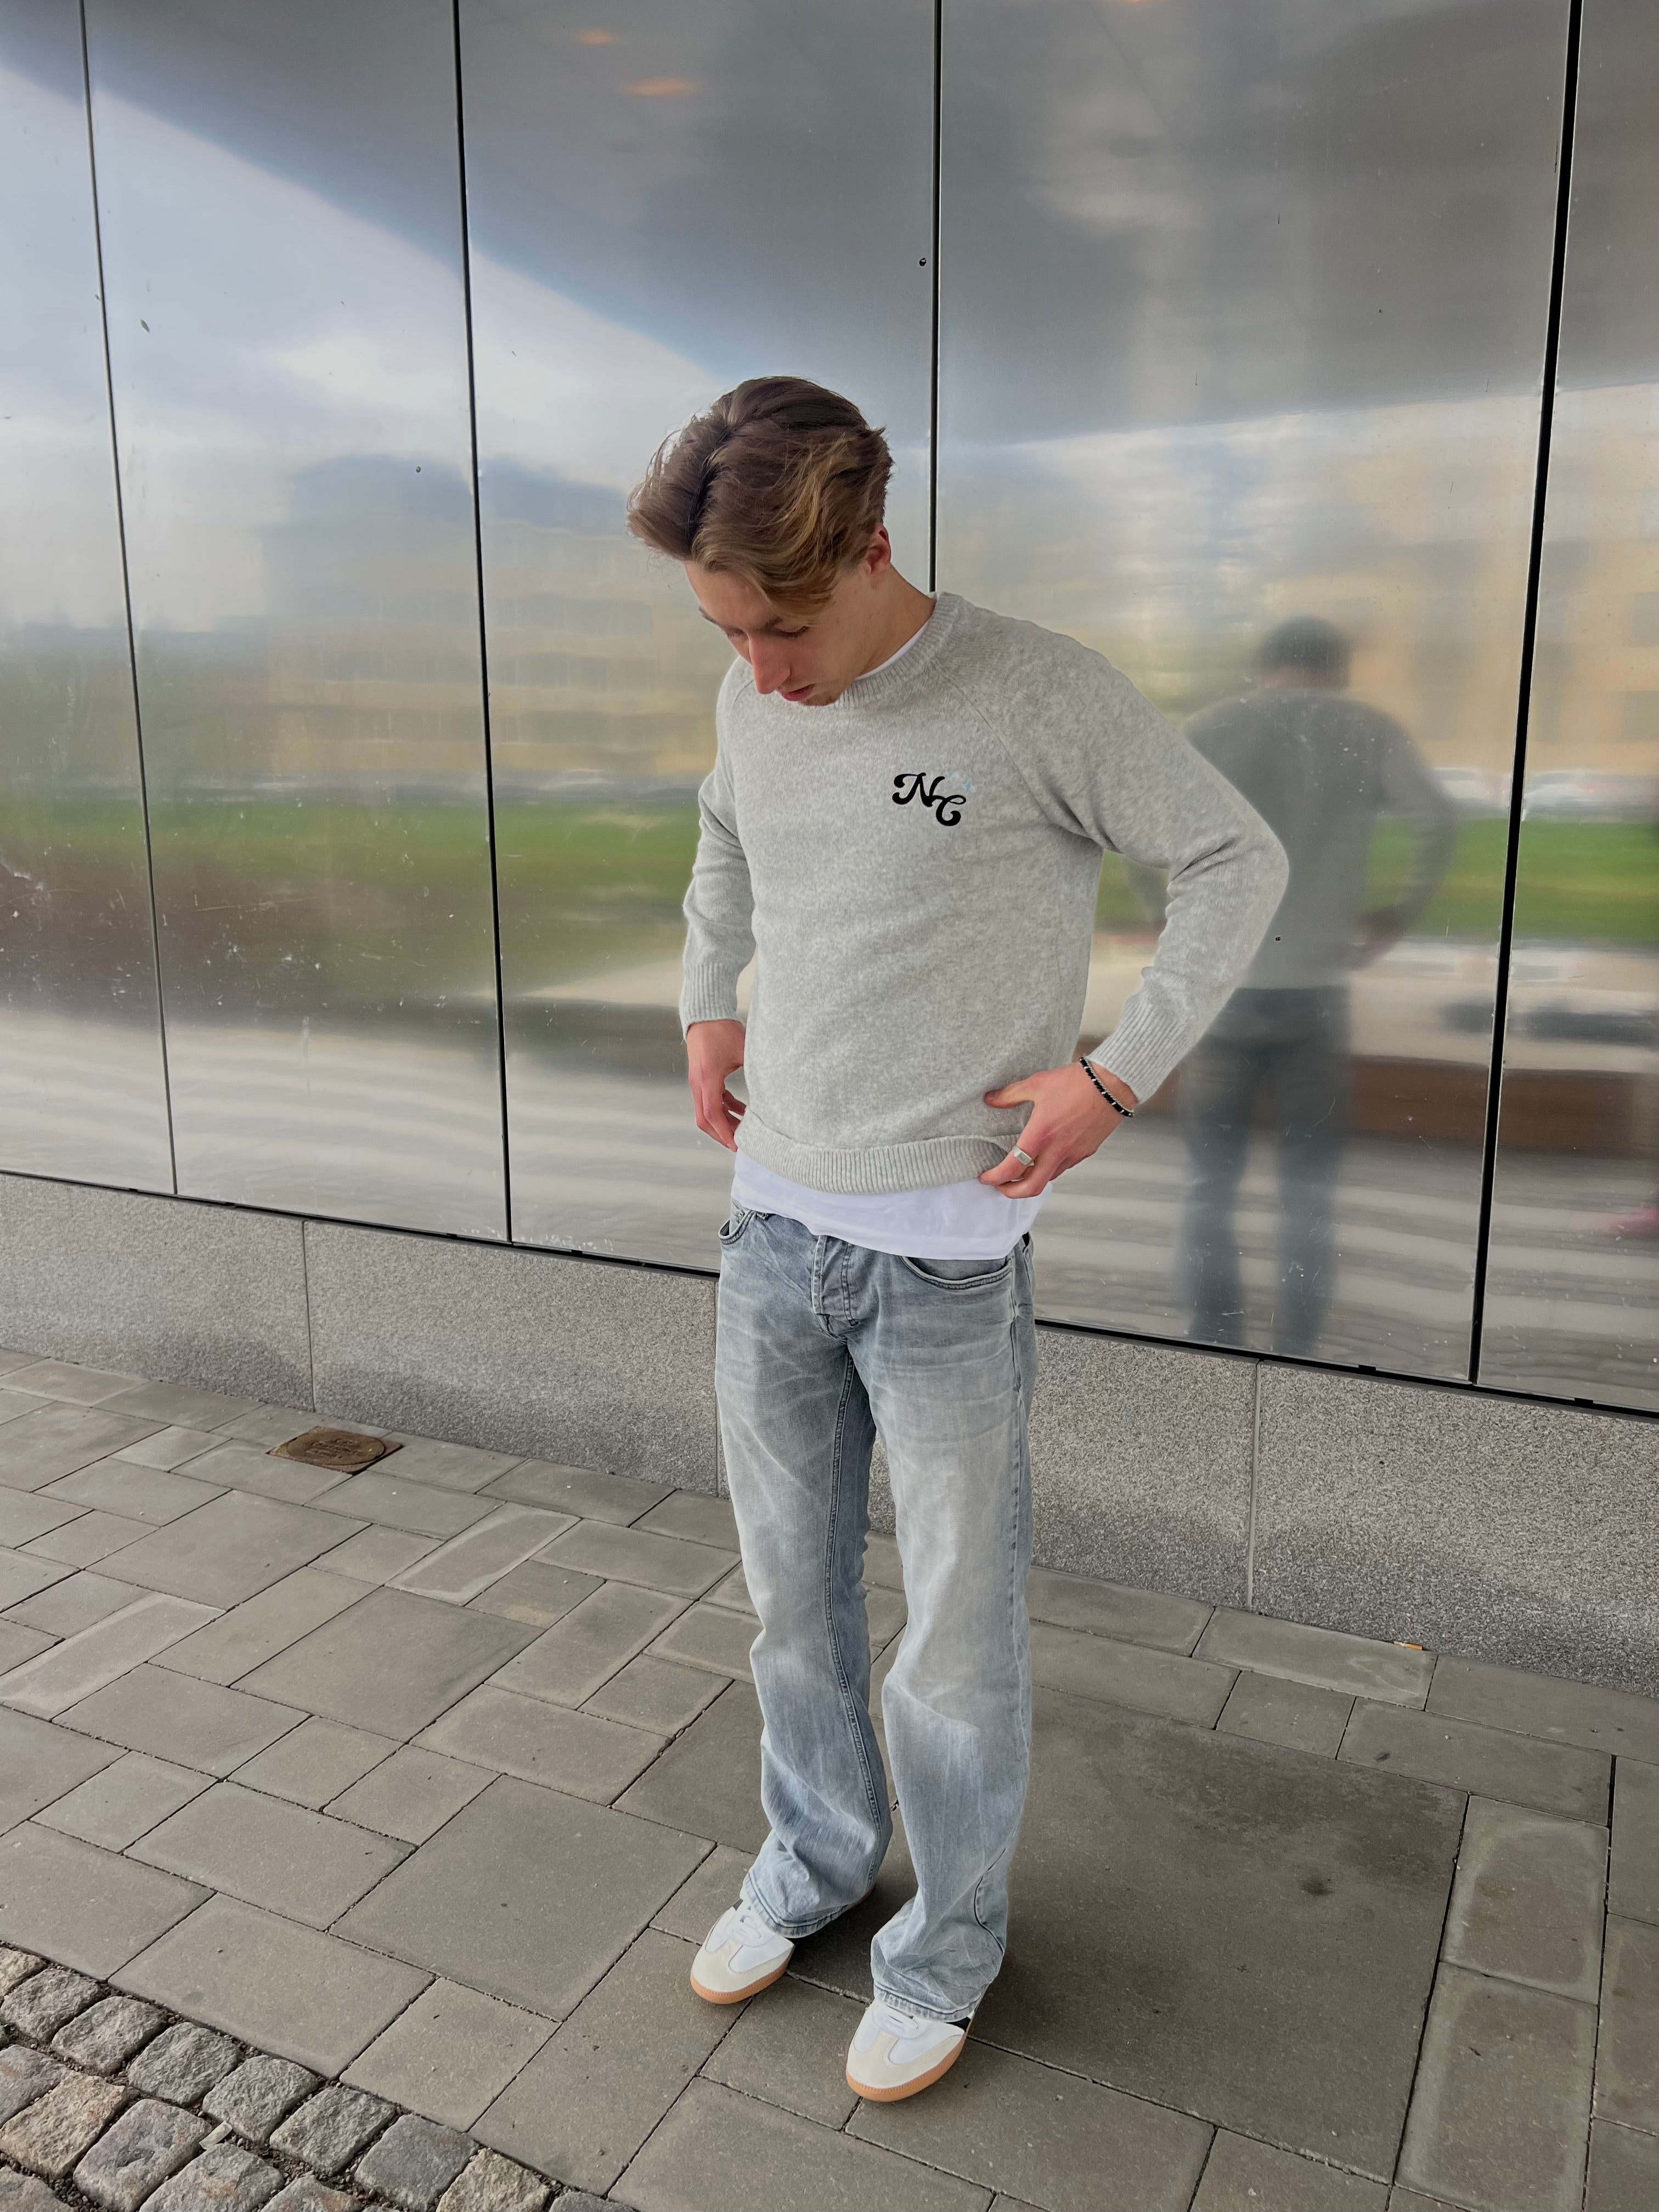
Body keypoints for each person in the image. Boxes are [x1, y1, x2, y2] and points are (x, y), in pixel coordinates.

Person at [624, 376, 1287, 2102]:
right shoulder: (752, 684)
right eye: (725, 633)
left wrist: (1117, 1076)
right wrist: (707, 1002)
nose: (760, 673)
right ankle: (815, 1863)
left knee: (952, 1642)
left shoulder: (1036, 690)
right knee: (790, 1605)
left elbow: (1234, 858)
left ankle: (947, 1945)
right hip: (772, 1233)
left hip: (945, 1258)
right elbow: (723, 835)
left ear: (871, 549)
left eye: (782, 629)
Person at [1178, 618, 1457, 1356]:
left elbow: (1148, 836)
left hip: (1223, 990)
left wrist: (1169, 920)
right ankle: (1298, 1344)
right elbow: (1436, 820)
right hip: (1316, 990)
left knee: (1209, 1181)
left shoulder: (1212, 728)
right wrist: (1401, 912)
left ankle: (1212, 1332)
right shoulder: (1366, 730)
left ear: (1263, 663)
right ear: (1336, 667)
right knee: (1308, 1185)